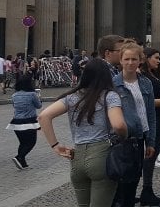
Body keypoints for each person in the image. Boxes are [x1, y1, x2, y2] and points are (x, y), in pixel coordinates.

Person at [39, 58, 127, 207]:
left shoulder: (72, 97)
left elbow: (43, 116)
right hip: (101, 155)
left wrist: (55, 145)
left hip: (77, 157)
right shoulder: (110, 96)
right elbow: (118, 125)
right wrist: (123, 136)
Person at [113, 43, 157, 207]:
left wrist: (151, 141)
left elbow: (150, 114)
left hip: (140, 138)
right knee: (119, 183)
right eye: (127, 59)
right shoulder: (113, 84)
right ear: (121, 60)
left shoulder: (146, 83)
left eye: (134, 59)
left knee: (133, 180)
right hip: (121, 139)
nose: (130, 62)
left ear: (140, 61)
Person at [138, 47, 160, 205]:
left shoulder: (154, 75)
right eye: (155, 58)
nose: (158, 60)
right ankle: (146, 189)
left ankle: (146, 189)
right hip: (153, 119)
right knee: (150, 155)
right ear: (147, 58)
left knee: (153, 153)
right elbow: (144, 102)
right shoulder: (143, 77)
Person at [7, 73, 42, 169]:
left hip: (16, 122)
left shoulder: (14, 95)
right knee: (31, 142)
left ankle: (23, 163)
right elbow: (39, 106)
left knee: (23, 143)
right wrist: (39, 97)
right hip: (29, 121)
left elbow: (14, 106)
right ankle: (19, 157)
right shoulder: (32, 94)